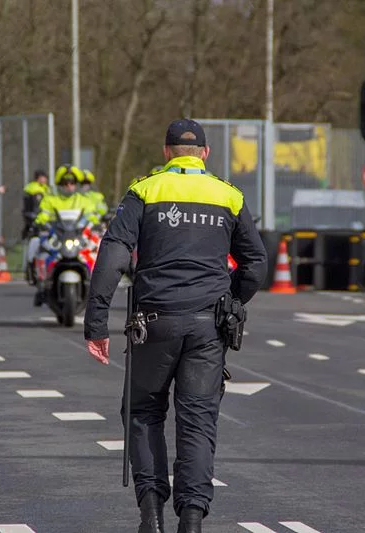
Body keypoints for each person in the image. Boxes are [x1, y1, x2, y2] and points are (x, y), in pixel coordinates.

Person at [84, 119, 267, 533]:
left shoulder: (144, 191)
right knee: (198, 419)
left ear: (166, 152)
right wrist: (231, 301)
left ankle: (151, 515)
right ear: (204, 154)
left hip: (153, 323)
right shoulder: (229, 196)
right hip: (208, 326)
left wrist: (97, 323)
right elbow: (256, 264)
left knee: (144, 412)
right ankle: (192, 517)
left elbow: (113, 255)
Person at [27, 164, 98, 304]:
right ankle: (39, 282)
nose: (69, 186)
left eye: (72, 183)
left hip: (77, 236)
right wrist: (39, 222)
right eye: (65, 183)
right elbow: (43, 215)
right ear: (60, 184)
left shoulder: (84, 201)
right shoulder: (50, 200)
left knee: (99, 245)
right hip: (57, 236)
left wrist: (96, 223)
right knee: (35, 243)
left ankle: (97, 284)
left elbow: (92, 216)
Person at [22, 169, 52, 239]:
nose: (46, 180)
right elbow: (38, 205)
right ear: (39, 178)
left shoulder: (39, 188)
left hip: (33, 216)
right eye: (44, 177)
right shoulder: (36, 190)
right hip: (37, 217)